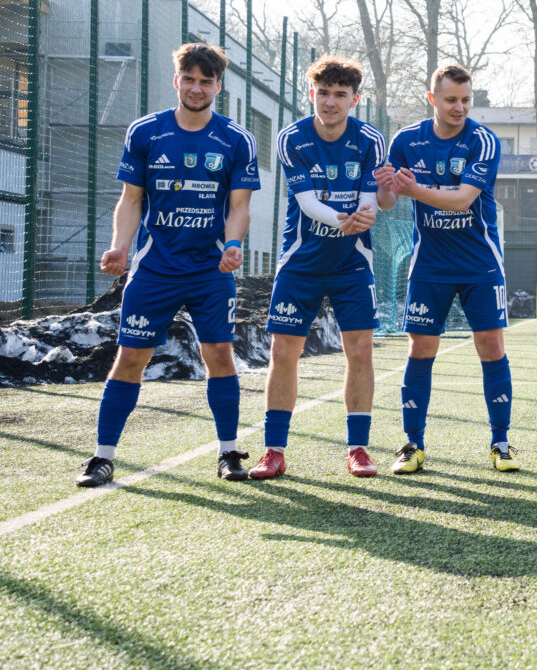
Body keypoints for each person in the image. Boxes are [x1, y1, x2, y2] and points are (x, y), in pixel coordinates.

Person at [77, 43, 260, 488]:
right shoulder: (146, 132)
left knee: (219, 354)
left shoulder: (236, 139)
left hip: (211, 271)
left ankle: (229, 452)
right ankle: (102, 457)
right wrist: (119, 247)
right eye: (189, 80)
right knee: (130, 357)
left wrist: (234, 245)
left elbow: (240, 207)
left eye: (206, 81)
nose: (196, 88)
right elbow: (131, 199)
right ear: (176, 80)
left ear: (218, 86)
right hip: (154, 269)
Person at [249, 57, 386, 480]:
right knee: (283, 352)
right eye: (323, 93)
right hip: (301, 263)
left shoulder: (371, 140)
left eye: (340, 95)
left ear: (354, 100)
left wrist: (365, 214)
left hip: (352, 264)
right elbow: (307, 203)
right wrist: (345, 219)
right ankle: (274, 451)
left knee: (360, 351)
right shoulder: (292, 138)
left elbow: (370, 199)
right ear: (312, 94)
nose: (330, 102)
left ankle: (358, 449)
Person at [375, 63, 514, 475]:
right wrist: (386, 186)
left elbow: (463, 199)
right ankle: (412, 445)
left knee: (491, 346)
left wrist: (413, 189)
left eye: (466, 100)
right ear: (432, 99)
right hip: (429, 264)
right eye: (451, 99)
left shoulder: (483, 140)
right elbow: (386, 202)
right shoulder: (407, 140)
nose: (460, 107)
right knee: (420, 348)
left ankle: (501, 442)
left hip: (480, 263)